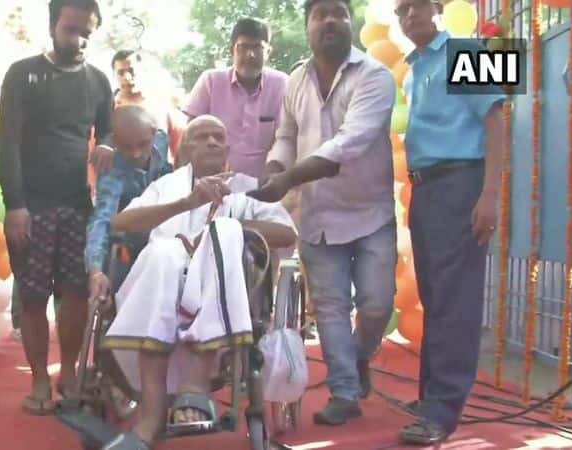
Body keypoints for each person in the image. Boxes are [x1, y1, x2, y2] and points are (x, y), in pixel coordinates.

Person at [98, 116, 296, 449]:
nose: (211, 142)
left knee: (225, 232)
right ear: (186, 148)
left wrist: (229, 223)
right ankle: (150, 417)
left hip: (225, 283)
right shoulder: (167, 185)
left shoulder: (247, 187)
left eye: (218, 136)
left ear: (228, 148)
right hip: (163, 277)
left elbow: (286, 232)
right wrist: (187, 203)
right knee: (163, 252)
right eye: (201, 136)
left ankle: (195, 384)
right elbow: (122, 221)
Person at [248, 0, 398, 426]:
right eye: (319, 14)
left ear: (352, 23)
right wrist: (276, 167)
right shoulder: (296, 79)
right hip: (318, 215)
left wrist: (288, 178)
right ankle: (345, 392)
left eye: (339, 12)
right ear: (308, 26)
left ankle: (359, 355)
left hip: (371, 213)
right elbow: (286, 135)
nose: (329, 20)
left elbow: (349, 144)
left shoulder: (375, 76)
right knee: (330, 309)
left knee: (376, 306)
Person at [392, 0, 505, 444]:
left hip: (462, 181)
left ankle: (441, 414)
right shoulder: (414, 67)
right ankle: (431, 399)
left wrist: (491, 195)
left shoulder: (469, 49)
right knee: (436, 299)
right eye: (400, 11)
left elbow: (497, 119)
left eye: (417, 6)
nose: (408, 16)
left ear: (438, 7)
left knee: (456, 301)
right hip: (425, 187)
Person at [0, 0, 112, 415]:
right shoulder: (22, 73)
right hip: (31, 205)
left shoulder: (98, 81)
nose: (79, 39)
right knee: (32, 296)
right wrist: (15, 205)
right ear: (52, 26)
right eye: (71, 30)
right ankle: (40, 380)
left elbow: (110, 129)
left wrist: (109, 145)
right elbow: (7, 142)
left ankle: (69, 372)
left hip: (78, 205)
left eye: (87, 32)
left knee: (76, 293)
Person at [84, 105, 173, 304]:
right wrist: (95, 271)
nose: (135, 153)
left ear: (153, 134)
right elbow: (101, 220)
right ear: (115, 142)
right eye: (126, 146)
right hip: (130, 240)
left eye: (142, 144)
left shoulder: (162, 140)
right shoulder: (112, 171)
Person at [182, 17, 289, 179]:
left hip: (263, 187)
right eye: (243, 47)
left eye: (258, 48)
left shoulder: (282, 84)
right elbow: (189, 136)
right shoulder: (210, 81)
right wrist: (184, 184)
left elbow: (286, 138)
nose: (250, 55)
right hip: (213, 184)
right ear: (232, 49)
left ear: (268, 52)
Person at [110, 50, 184, 164]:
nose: (127, 77)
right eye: (121, 73)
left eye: (131, 71)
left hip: (161, 179)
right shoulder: (108, 111)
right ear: (114, 76)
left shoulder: (162, 107)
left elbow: (180, 149)